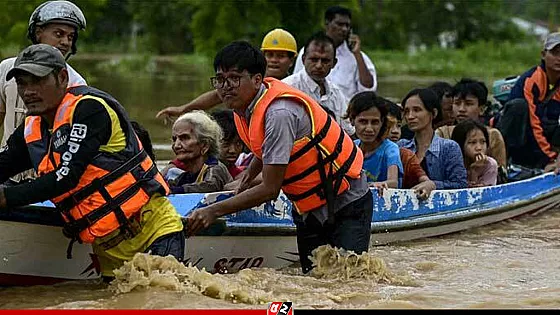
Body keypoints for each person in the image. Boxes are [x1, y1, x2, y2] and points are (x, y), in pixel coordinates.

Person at [186, 41, 371, 274]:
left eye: (234, 78)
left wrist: (213, 211)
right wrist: (246, 177)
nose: (225, 87)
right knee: (314, 278)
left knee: (348, 280)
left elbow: (270, 189)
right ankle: (282, 311)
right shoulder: (246, 107)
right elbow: (264, 149)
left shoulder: (279, 113)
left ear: (256, 79)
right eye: (220, 79)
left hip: (346, 197)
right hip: (308, 203)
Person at [0, 44, 184, 279]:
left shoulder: (89, 108)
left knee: (160, 300)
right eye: (22, 83)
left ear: (62, 77)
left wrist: (6, 197)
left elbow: (67, 176)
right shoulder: (31, 129)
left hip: (153, 231)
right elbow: (4, 164)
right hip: (108, 250)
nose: (28, 91)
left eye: (37, 81)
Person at [0, 0, 88, 183]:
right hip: (7, 171)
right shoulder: (6, 69)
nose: (65, 42)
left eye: (70, 37)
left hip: (48, 179)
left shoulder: (76, 83)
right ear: (38, 33)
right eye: (59, 34)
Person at [155, 28, 298, 122]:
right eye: (270, 55)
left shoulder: (293, 89)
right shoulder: (246, 83)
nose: (274, 60)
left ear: (292, 60)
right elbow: (216, 95)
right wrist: (182, 110)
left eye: (280, 56)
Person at [497, 32, 560, 171]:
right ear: (544, 55)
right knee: (519, 107)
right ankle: (507, 165)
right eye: (555, 53)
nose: (559, 58)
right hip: (515, 131)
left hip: (536, 139)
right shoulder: (532, 80)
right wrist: (549, 159)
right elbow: (533, 123)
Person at [293, 5, 377, 100]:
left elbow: (369, 89)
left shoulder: (358, 57)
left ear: (334, 62)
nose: (344, 29)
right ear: (327, 23)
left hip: (344, 111)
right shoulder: (308, 52)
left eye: (347, 25)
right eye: (339, 24)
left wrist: (357, 54)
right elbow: (297, 83)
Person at [283, 31, 354, 135]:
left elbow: (348, 131)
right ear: (303, 60)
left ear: (334, 63)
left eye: (325, 61)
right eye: (314, 59)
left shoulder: (336, 93)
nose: (319, 66)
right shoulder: (287, 88)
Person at [398, 88, 468, 189]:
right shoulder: (401, 146)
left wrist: (434, 185)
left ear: (434, 113)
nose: (410, 116)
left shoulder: (449, 148)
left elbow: (460, 185)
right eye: (406, 111)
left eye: (417, 110)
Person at [435, 78, 507, 170]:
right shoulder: (442, 133)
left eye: (468, 104)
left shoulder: (493, 135)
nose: (461, 109)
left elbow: (501, 173)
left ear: (482, 109)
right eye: (457, 103)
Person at [162, 111, 233, 193]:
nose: (176, 146)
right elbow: (170, 187)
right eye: (175, 139)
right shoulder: (186, 176)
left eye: (185, 138)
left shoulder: (216, 168)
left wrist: (177, 190)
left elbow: (209, 186)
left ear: (205, 146)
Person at [345, 91, 403, 189]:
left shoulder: (390, 149)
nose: (369, 129)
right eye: (363, 122)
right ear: (352, 120)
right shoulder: (351, 148)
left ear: (382, 122)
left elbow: (393, 182)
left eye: (375, 122)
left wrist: (380, 185)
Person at [385, 99, 436, 198]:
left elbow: (428, 182)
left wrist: (428, 184)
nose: (395, 131)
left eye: (398, 126)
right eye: (388, 126)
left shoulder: (406, 155)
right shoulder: (357, 149)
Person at [451, 119, 498, 187]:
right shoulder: (452, 164)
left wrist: (475, 173)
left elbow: (482, 193)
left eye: (483, 142)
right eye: (472, 142)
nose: (479, 148)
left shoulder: (490, 164)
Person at [211, 109, 245, 179]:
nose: (232, 150)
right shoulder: (193, 171)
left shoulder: (242, 175)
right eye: (226, 144)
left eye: (238, 144)